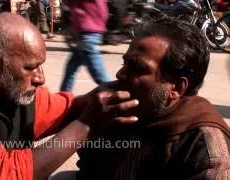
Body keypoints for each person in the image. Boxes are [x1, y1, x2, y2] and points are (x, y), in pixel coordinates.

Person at [0, 13, 139, 179]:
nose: (40, 78)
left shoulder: (10, 91)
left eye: (41, 66)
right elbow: (6, 175)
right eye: (30, 67)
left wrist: (117, 88)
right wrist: (85, 126)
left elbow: (69, 107)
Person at [76, 16, 230, 179]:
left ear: (176, 88)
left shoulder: (206, 148)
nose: (120, 74)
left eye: (137, 68)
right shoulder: (115, 110)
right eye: (124, 64)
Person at [60, 0, 111, 92]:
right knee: (70, 70)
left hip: (87, 34)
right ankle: (63, 97)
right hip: (90, 32)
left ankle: (117, 95)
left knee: (100, 77)